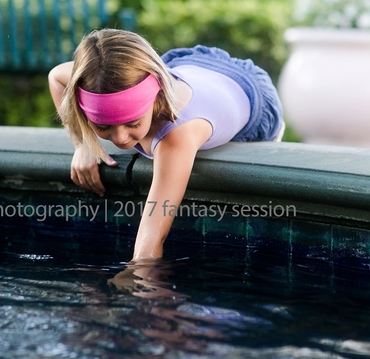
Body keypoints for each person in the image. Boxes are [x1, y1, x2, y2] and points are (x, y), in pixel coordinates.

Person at [48, 29, 283, 263]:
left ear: (154, 98)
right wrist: (82, 145)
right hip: (189, 66)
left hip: (252, 93)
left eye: (133, 123)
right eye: (102, 127)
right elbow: (57, 77)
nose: (120, 139)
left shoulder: (177, 134)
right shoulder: (102, 81)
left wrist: (138, 286)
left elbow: (151, 240)